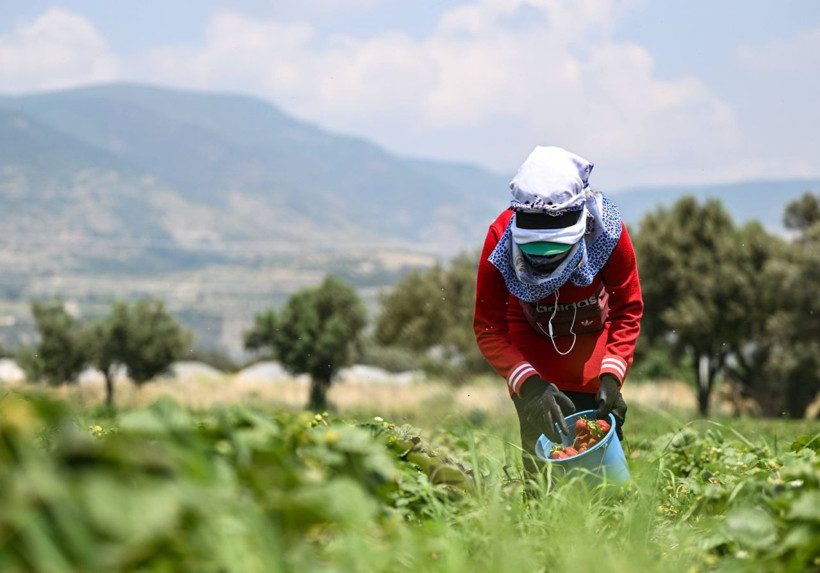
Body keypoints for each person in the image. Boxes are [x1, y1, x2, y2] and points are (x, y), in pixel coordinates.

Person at [472, 146, 643, 475]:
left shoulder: (607, 232)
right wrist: (532, 389)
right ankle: (541, 520)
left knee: (595, 446)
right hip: (530, 338)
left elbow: (627, 309)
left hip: (591, 336)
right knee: (540, 447)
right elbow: (488, 328)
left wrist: (611, 376)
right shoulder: (500, 238)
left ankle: (606, 517)